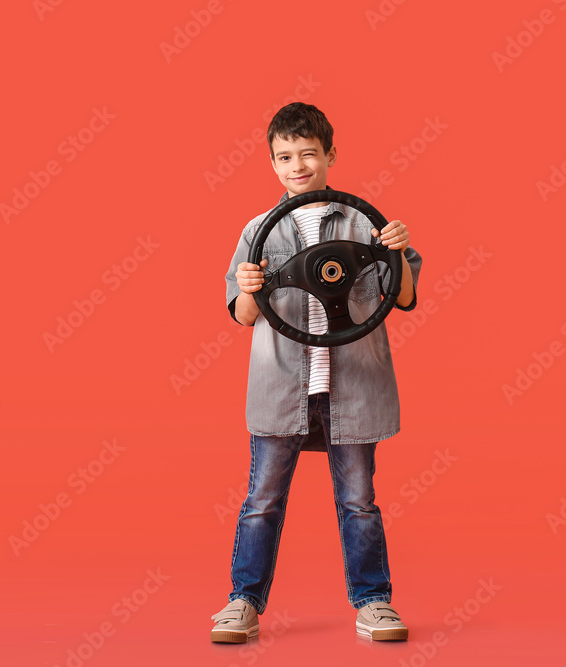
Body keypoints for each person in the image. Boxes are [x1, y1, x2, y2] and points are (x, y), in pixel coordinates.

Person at [214, 102, 422, 643]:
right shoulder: (257, 231)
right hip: (282, 383)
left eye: (308, 153)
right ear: (272, 162)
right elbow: (242, 314)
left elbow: (401, 297)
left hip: (351, 385)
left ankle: (374, 603)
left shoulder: (367, 224)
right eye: (285, 156)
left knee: (359, 500)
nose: (297, 165)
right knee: (262, 499)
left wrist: (395, 252)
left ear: (330, 154)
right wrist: (251, 283)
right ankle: (243, 601)